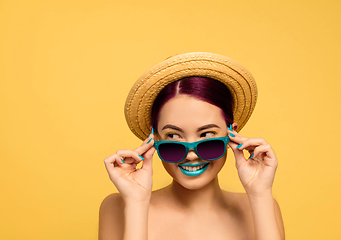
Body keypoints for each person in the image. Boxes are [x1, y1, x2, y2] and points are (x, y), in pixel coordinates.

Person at [99, 52, 285, 240]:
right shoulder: (119, 207)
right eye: (173, 135)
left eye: (206, 135)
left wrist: (260, 193)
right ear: (154, 138)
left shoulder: (260, 205)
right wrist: (136, 202)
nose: (191, 154)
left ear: (232, 134)